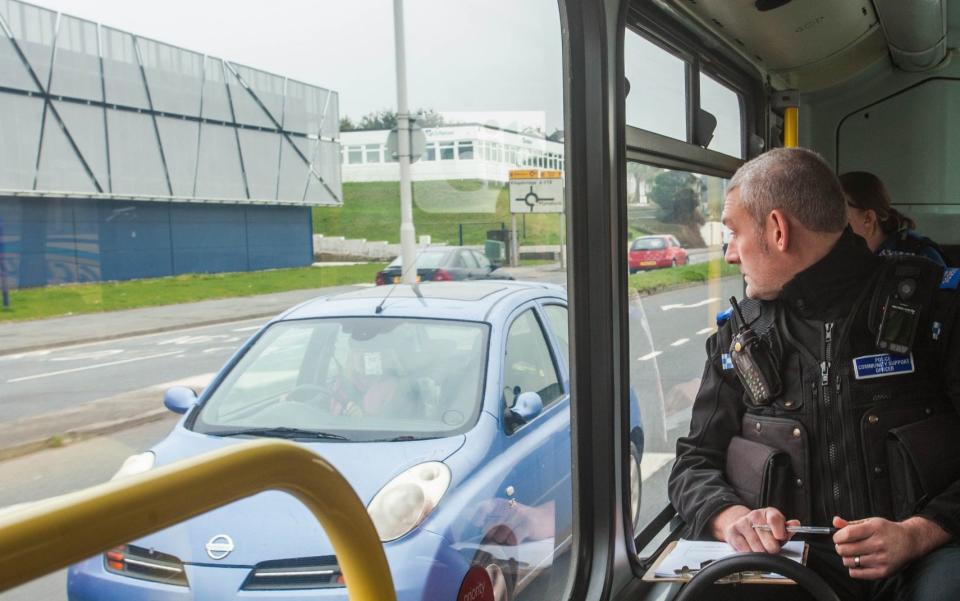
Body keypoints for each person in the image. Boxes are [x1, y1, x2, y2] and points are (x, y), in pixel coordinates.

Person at [668, 148, 960, 601]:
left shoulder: (938, 312)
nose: (729, 254)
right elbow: (693, 462)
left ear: (778, 230)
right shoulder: (740, 338)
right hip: (793, 569)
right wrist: (731, 518)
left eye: (734, 233)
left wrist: (919, 534)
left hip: (927, 560)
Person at [840, 171, 947, 266]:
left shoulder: (920, 254)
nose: (831, 223)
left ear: (868, 218)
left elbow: (948, 287)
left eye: (839, 214)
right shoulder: (841, 257)